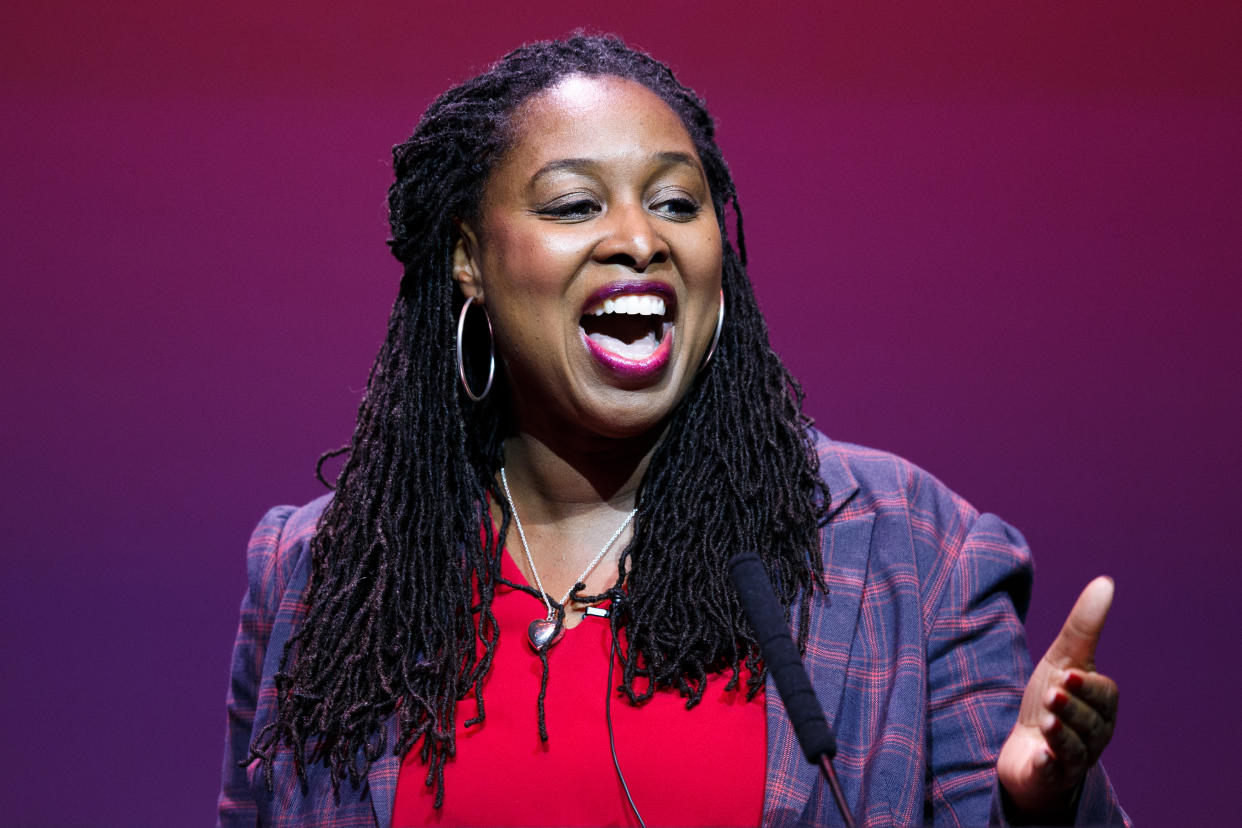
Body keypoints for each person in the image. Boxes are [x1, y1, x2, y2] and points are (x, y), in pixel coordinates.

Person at [218, 35, 1128, 827]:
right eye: (575, 205)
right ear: (468, 259)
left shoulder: (906, 548)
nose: (639, 239)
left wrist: (1040, 808)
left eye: (677, 204)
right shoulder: (323, 576)